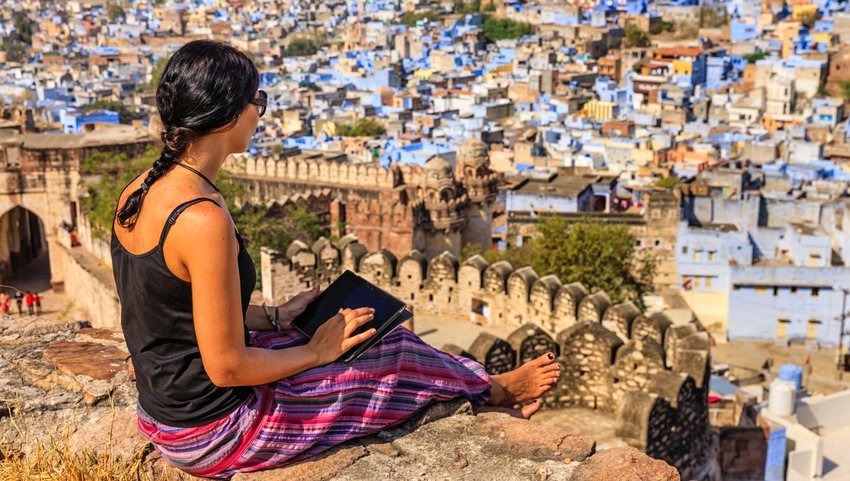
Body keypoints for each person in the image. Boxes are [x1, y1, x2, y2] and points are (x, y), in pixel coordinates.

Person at [110, 40, 559, 480]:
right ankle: (496, 391)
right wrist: (314, 351)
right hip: (216, 431)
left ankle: (484, 390)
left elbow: (176, 310)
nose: (260, 113)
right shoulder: (201, 219)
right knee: (392, 357)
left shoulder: (143, 189)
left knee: (363, 335)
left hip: (166, 412)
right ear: (229, 115)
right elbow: (227, 367)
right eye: (258, 101)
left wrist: (276, 315)